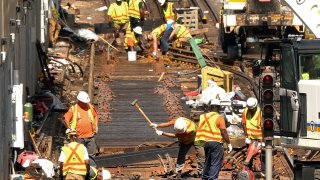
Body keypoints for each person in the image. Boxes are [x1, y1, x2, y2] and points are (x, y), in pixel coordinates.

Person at [195, 100, 232, 180]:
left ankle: (205, 178)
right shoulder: (219, 117)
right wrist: (228, 143)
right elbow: (223, 132)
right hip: (216, 143)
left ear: (211, 107)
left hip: (205, 142)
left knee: (207, 162)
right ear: (218, 107)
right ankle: (213, 178)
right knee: (215, 163)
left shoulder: (203, 116)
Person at [64, 91, 98, 158]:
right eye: (84, 102)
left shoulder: (90, 107)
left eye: (86, 102)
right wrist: (69, 128)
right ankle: (81, 168)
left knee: (91, 155)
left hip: (91, 136)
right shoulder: (73, 109)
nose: (85, 104)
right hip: (79, 137)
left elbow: (95, 116)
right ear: (79, 101)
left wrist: (96, 125)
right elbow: (66, 118)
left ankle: (91, 167)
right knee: (80, 155)